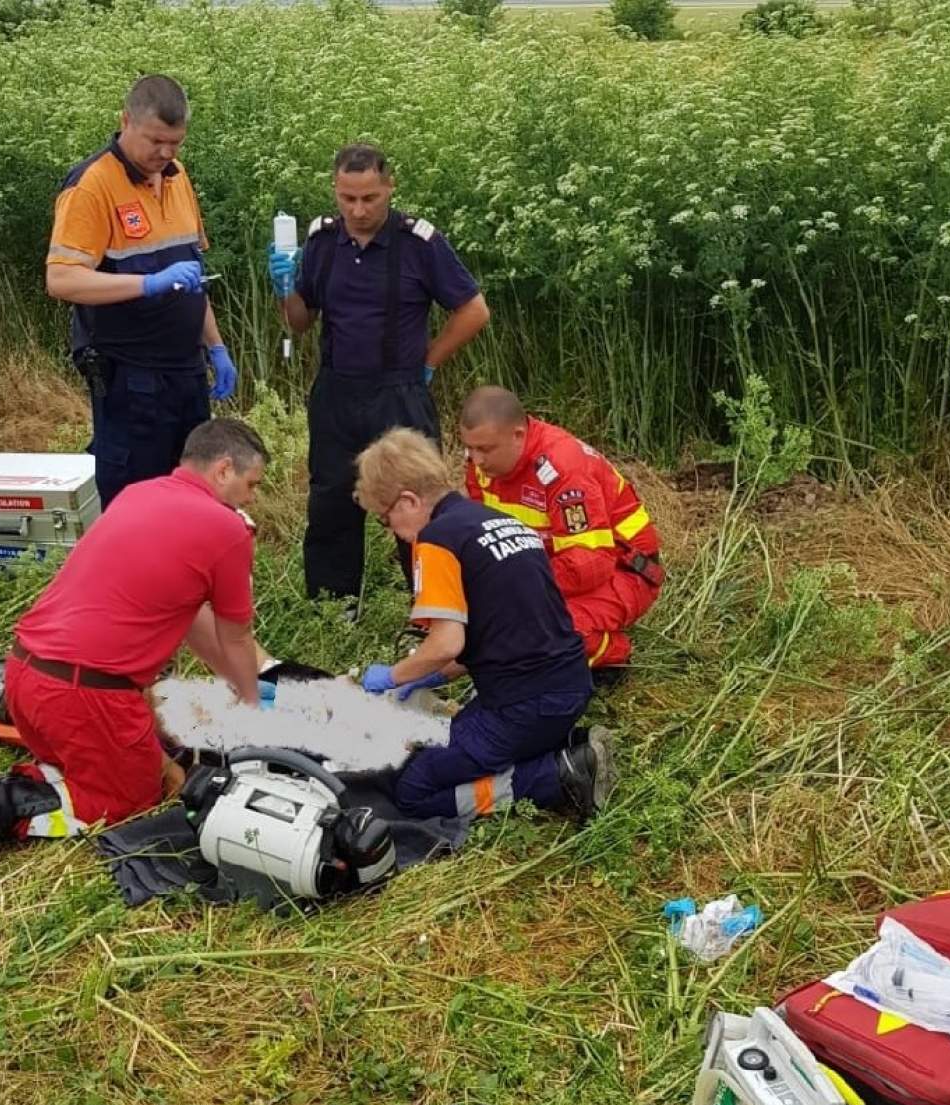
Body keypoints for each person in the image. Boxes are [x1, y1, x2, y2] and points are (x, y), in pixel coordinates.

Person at [0, 419, 270, 875]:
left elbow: (192, 625)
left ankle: (7, 789)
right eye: (251, 484)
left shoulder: (140, 494)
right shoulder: (227, 529)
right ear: (223, 470)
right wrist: (254, 707)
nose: (251, 498)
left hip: (23, 679)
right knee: (132, 801)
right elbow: (234, 636)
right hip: (84, 698)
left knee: (143, 763)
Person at [353, 428, 614, 822]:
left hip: (521, 706)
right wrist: (429, 678)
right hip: (570, 686)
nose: (391, 532)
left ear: (408, 500)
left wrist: (391, 676)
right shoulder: (497, 522)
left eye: (385, 519)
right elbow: (494, 634)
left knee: (412, 788)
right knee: (455, 742)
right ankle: (557, 747)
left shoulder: (437, 540)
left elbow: (445, 644)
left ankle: (557, 776)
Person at [269, 143, 491, 604]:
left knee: (417, 498)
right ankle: (334, 606)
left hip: (399, 391)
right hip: (337, 389)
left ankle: (432, 607)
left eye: (369, 198)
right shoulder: (323, 241)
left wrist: (429, 363)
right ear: (335, 191)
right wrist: (285, 289)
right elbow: (299, 321)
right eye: (348, 198)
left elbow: (473, 310)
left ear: (389, 187)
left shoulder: (418, 243)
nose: (358, 209)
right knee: (331, 498)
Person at [46, 74, 238, 510]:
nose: (166, 153)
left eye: (176, 142)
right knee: (140, 500)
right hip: (131, 376)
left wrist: (216, 345)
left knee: (191, 492)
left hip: (186, 369)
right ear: (125, 121)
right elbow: (61, 280)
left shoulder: (176, 177)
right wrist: (147, 284)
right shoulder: (92, 185)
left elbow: (194, 274)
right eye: (155, 141)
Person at [460, 387, 664, 670]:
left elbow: (590, 565)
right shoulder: (484, 466)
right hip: (550, 562)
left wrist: (515, 588)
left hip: (624, 569)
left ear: (518, 434)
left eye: (484, 449)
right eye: (469, 448)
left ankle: (613, 656)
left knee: (542, 632)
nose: (476, 460)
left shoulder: (562, 467)